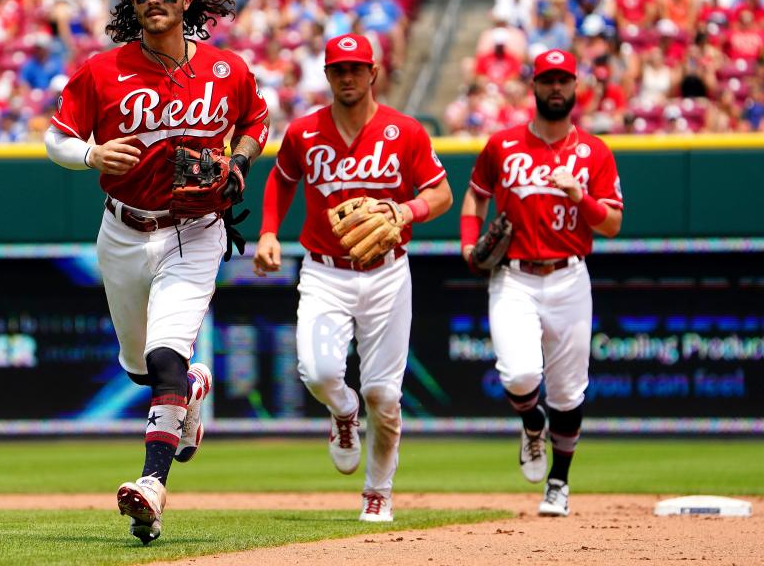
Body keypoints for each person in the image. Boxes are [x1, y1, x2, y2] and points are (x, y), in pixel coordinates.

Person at [44, 0, 269, 544]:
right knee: (143, 367)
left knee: (167, 354)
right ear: (132, 2)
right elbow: (55, 139)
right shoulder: (102, 71)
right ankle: (188, 391)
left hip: (194, 232)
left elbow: (256, 122)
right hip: (122, 229)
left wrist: (240, 162)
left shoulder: (227, 69)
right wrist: (91, 154)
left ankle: (151, 485)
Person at [253, 33, 453, 522]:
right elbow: (281, 178)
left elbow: (443, 194)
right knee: (319, 373)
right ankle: (343, 412)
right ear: (327, 75)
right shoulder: (304, 132)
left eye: (356, 68)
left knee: (384, 394)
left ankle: (378, 490)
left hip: (387, 274)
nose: (348, 77)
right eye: (339, 69)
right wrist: (268, 232)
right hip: (324, 272)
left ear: (373, 74)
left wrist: (405, 211)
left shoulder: (404, 131)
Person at [458, 49, 624, 517]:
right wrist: (469, 243)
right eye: (547, 79)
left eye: (563, 80)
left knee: (570, 393)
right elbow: (475, 197)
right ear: (533, 86)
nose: (556, 88)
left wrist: (583, 197)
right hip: (514, 276)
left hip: (570, 277)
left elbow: (611, 223)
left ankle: (559, 482)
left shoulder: (595, 152)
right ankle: (533, 425)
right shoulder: (503, 145)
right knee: (519, 374)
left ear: (575, 87)